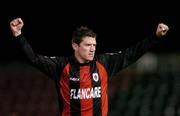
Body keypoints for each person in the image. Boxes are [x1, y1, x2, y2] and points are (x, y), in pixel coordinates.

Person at [10, 17, 169, 116]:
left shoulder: (104, 63)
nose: (93, 48)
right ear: (75, 45)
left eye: (94, 44)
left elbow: (131, 54)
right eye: (87, 45)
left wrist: (154, 37)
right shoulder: (61, 66)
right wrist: (18, 36)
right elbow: (33, 59)